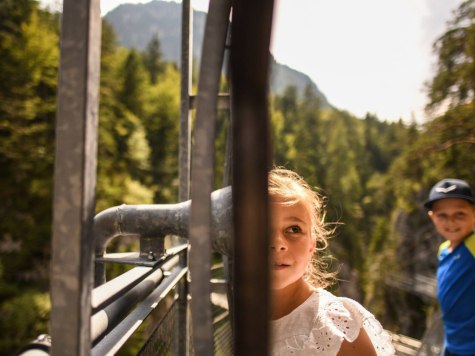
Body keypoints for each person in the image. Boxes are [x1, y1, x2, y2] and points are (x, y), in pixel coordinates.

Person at [268, 168, 395, 356]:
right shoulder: (238, 312)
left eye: (294, 229)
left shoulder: (334, 326)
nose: (278, 243)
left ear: (312, 245)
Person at [424, 178, 475, 356]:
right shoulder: (444, 250)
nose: (451, 222)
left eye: (460, 214)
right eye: (442, 215)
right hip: (452, 343)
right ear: (432, 217)